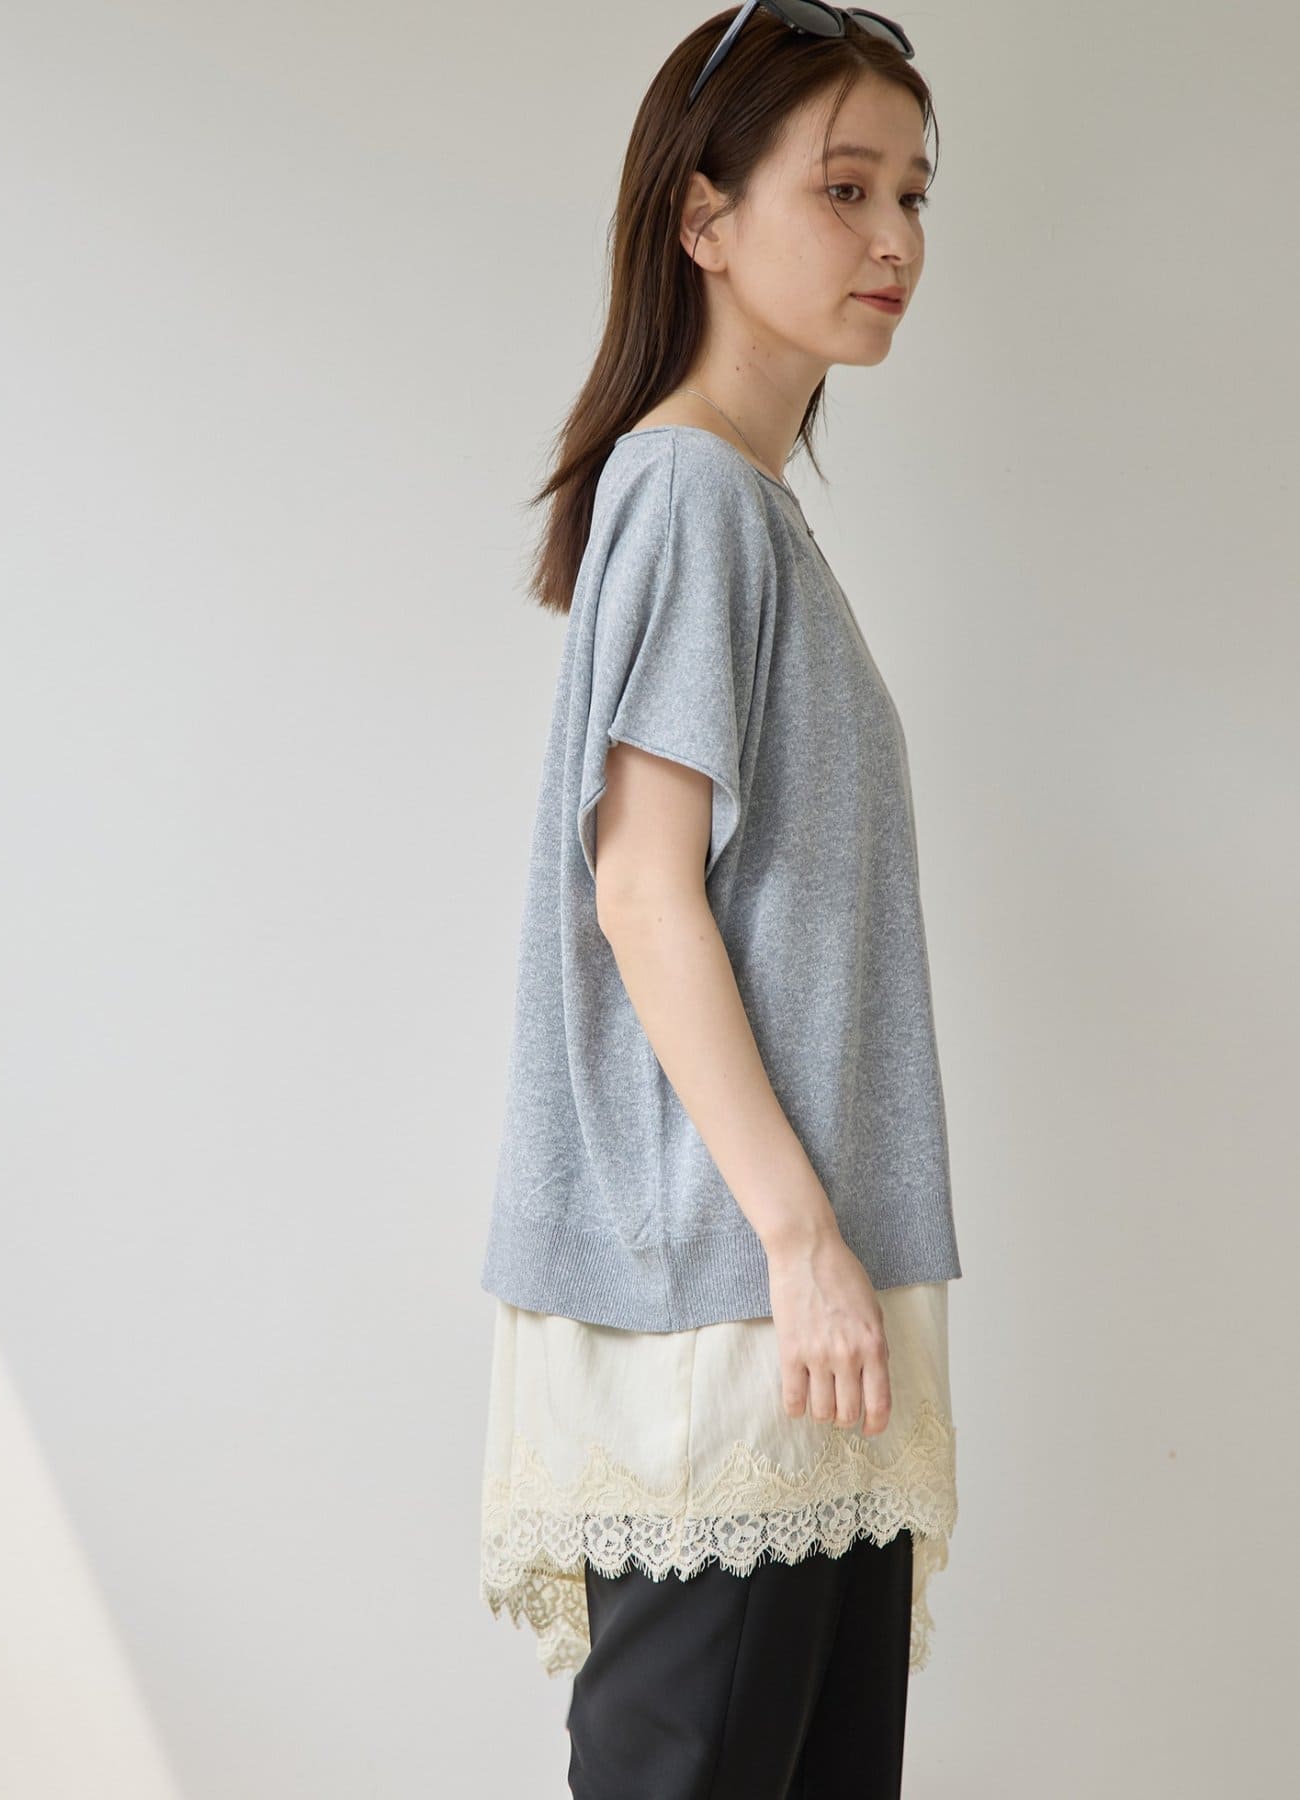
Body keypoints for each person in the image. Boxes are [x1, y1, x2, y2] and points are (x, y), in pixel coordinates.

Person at [477, 6, 966, 1795]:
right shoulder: (690, 492)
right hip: (734, 1303)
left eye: (914, 194)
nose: (895, 237)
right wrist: (802, 1238)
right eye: (844, 190)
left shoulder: (743, 508)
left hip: (788, 1311)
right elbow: (642, 890)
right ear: (704, 218)